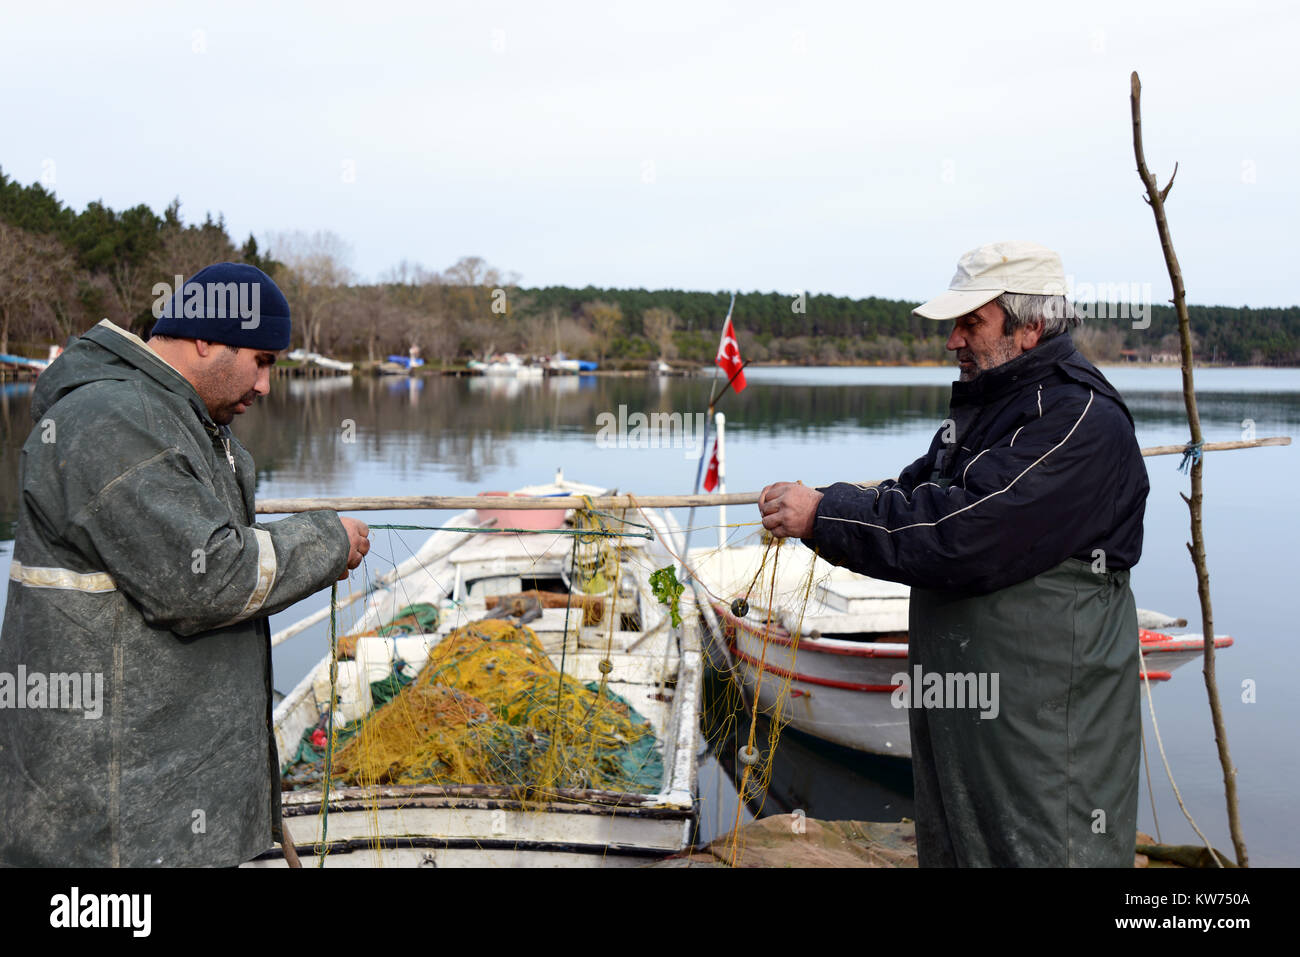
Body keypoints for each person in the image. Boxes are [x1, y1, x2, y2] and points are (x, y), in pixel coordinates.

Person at [759, 241, 1150, 866]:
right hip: (974, 714)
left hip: (1044, 725)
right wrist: (827, 501)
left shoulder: (1080, 420)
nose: (953, 341)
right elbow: (915, 494)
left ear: (1031, 328)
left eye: (972, 323)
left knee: (1048, 848)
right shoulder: (992, 408)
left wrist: (822, 515)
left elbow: (960, 535)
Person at [0, 262, 371, 867]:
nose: (267, 386)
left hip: (155, 808)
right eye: (263, 361)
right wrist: (327, 541)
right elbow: (208, 579)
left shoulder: (175, 417)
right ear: (205, 339)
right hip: (111, 826)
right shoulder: (113, 420)